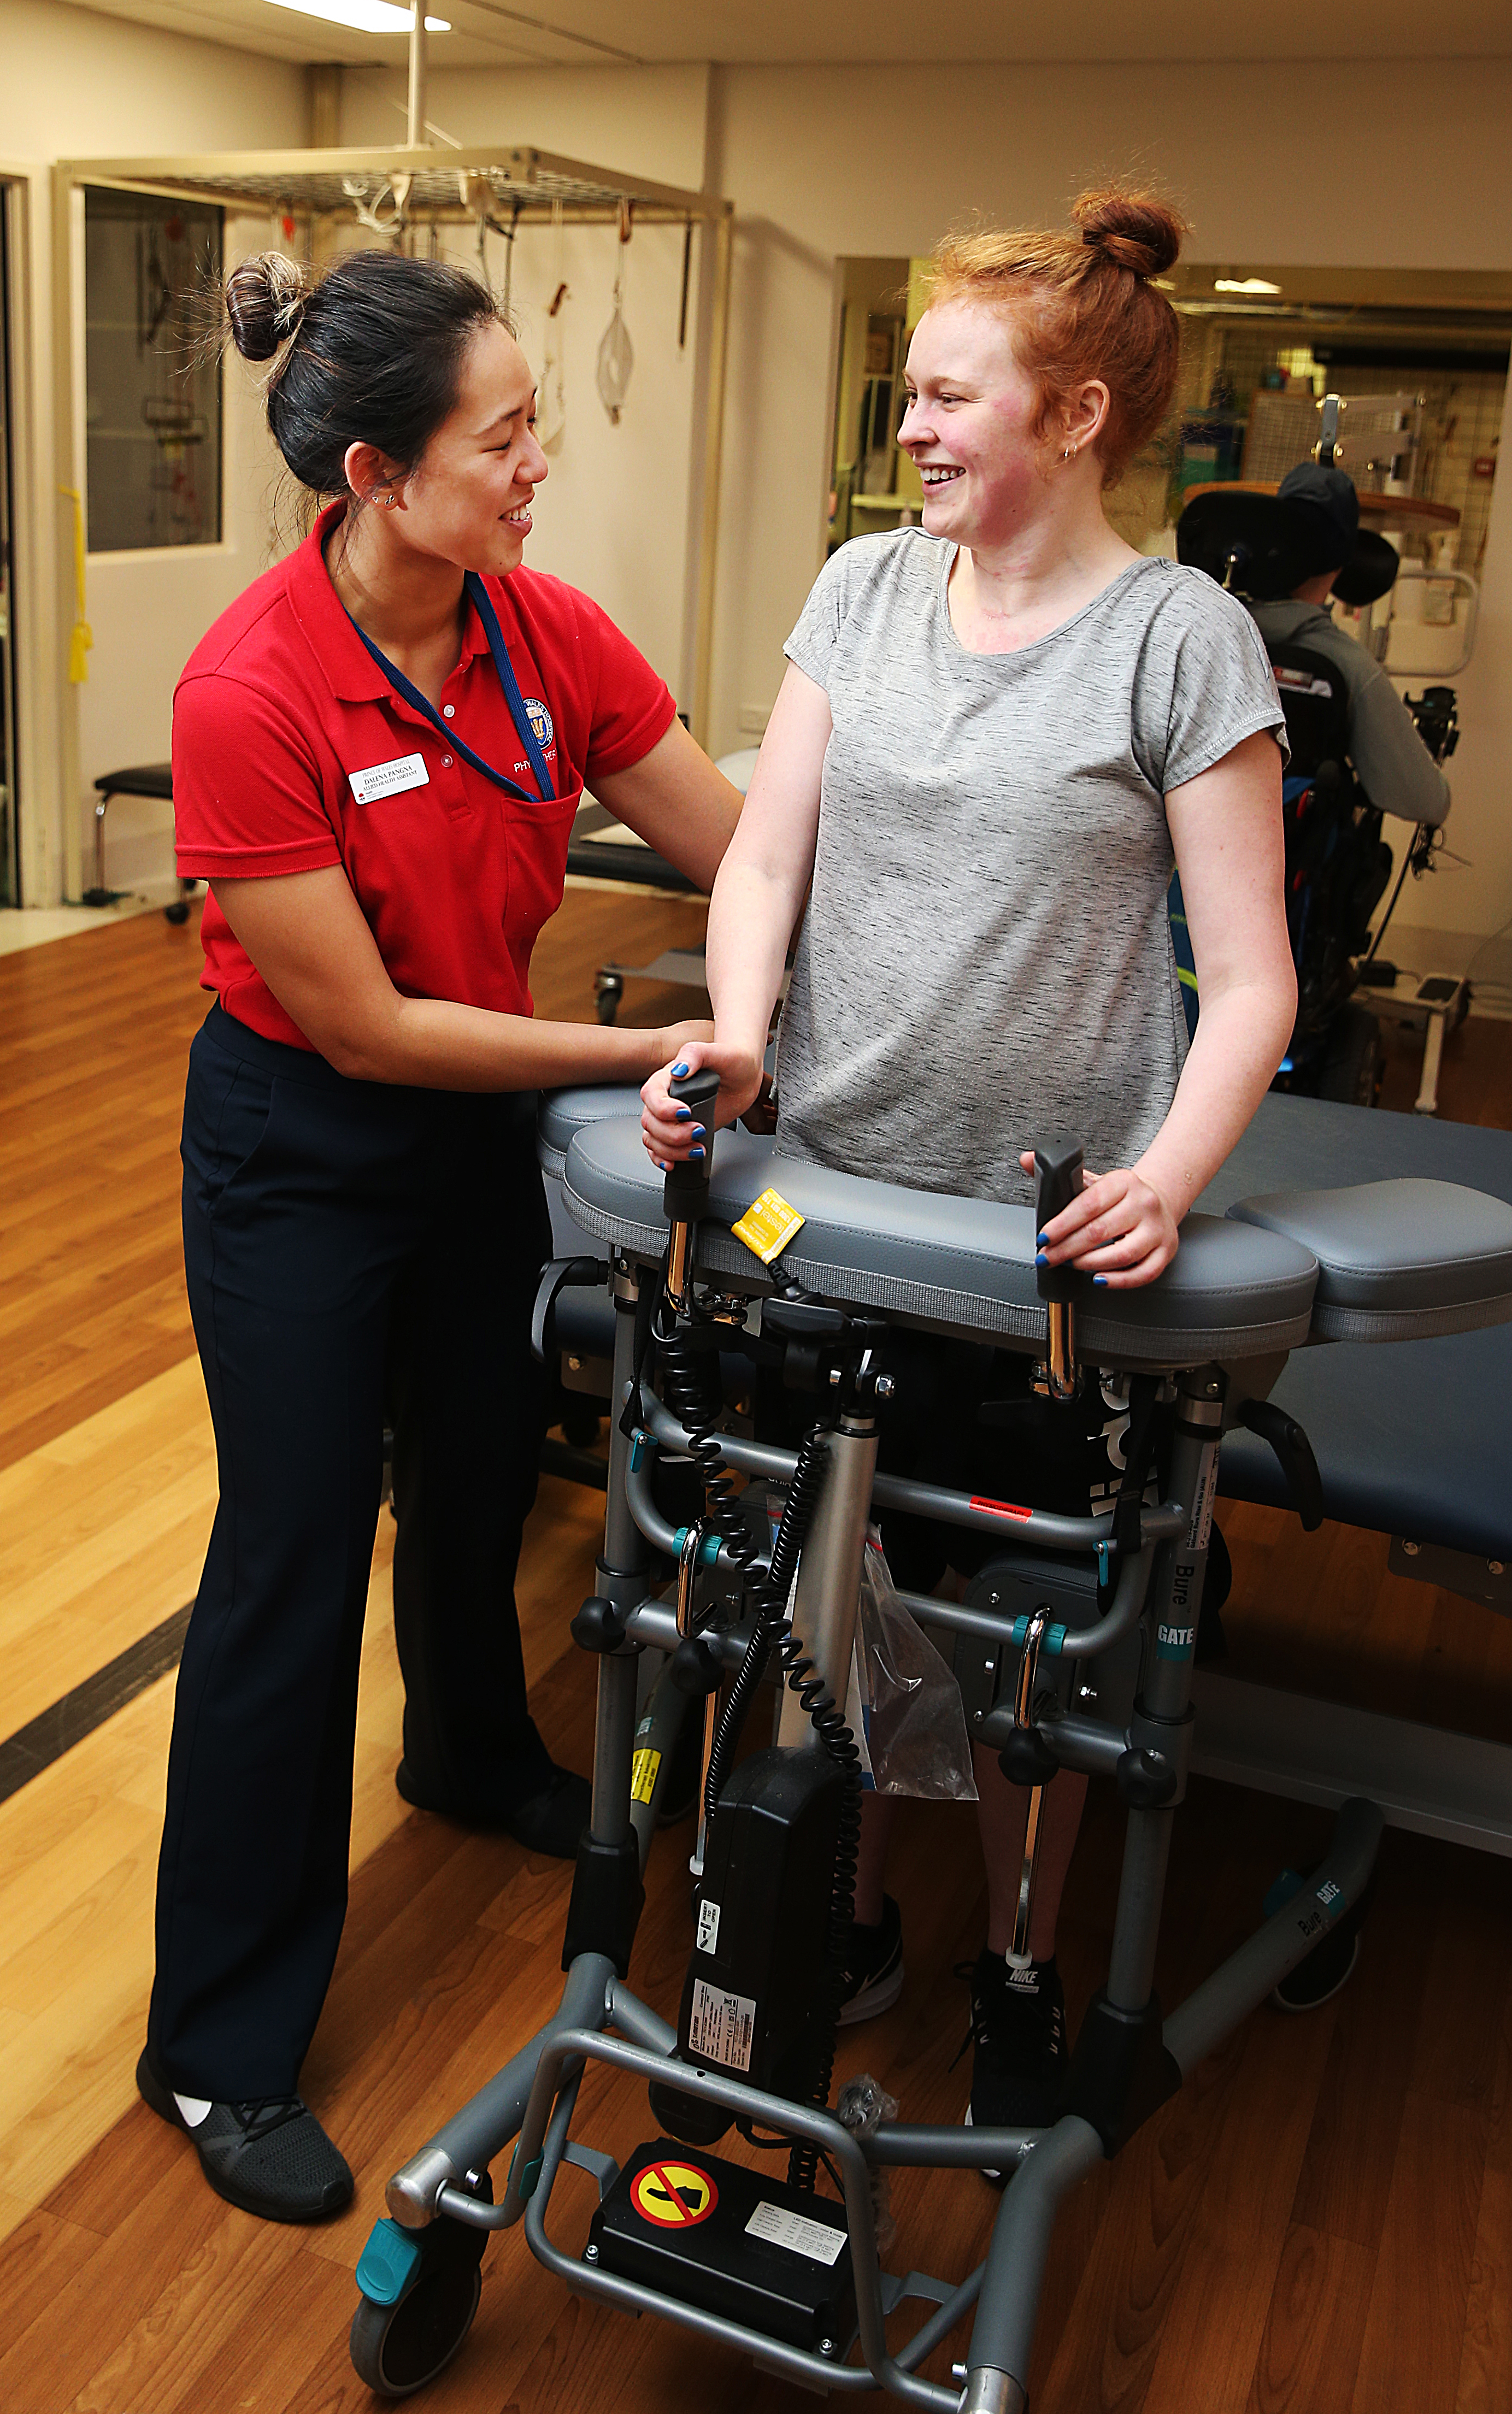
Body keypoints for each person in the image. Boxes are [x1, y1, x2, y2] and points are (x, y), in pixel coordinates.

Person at [642, 190, 1297, 2142]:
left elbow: (1252, 977)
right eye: (907, 393)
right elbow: (763, 850)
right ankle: (832, 1919)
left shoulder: (1178, 641)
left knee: (1025, 1630)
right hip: (825, 1193)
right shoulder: (856, 592)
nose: (909, 425)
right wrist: (740, 1032)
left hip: (1038, 1236)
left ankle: (1016, 1944)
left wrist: (1171, 1172)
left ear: (1075, 411)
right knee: (820, 1586)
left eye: (946, 393)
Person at [140, 248, 739, 2225]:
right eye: (506, 436)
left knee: (480, 1475)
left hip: (480, 1130)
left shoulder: (538, 629)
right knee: (291, 1563)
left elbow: (732, 837)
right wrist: (637, 1041)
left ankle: (470, 1752)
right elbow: (362, 1022)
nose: (538, 466)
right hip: (307, 1140)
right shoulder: (247, 685)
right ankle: (217, 2049)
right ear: (385, 472)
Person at [1249, 463, 1451, 828]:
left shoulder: (1214, 630)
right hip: (1289, 874)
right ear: (1347, 561)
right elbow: (1425, 801)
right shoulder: (1348, 666)